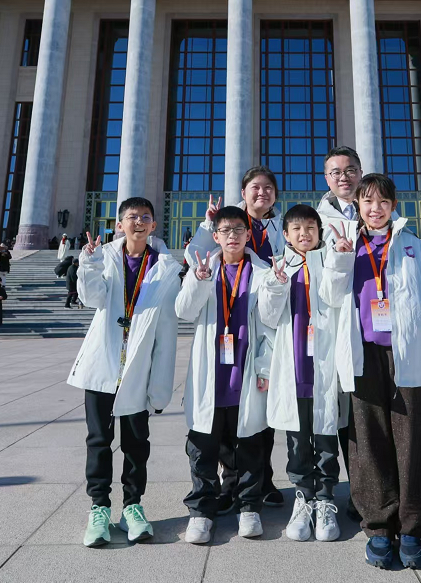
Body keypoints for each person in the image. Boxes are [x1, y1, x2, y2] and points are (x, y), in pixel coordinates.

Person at [320, 173, 421, 570]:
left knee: (414, 441)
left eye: (382, 202)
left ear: (393, 206)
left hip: (407, 356)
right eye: (367, 202)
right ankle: (379, 527)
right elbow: (328, 296)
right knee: (368, 440)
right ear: (358, 207)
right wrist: (342, 258)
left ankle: (412, 527)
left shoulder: (412, 246)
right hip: (363, 357)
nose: (375, 208)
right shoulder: (344, 244)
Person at [67, 197, 181, 549]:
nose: (138, 222)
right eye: (131, 217)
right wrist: (88, 262)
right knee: (99, 442)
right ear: (120, 224)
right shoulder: (107, 259)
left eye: (145, 217)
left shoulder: (164, 268)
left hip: (136, 371)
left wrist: (159, 387)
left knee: (136, 445)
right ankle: (99, 508)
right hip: (103, 366)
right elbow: (93, 298)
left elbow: (166, 333)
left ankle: (132, 506)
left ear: (153, 225)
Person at [175, 205, 274, 544]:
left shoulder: (261, 271)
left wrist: (264, 367)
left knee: (248, 446)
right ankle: (201, 511)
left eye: (239, 229)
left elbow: (271, 326)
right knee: (203, 447)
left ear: (249, 234)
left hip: (245, 370)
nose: (233, 235)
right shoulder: (205, 268)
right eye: (226, 230)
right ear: (215, 235)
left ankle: (249, 507)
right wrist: (199, 281)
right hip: (211, 375)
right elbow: (185, 312)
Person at [189, 165, 285, 510]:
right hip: (226, 332)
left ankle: (264, 480)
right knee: (229, 415)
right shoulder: (229, 225)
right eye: (255, 188)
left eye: (268, 188)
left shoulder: (277, 228)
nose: (262, 193)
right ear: (243, 194)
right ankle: (231, 483)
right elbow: (195, 258)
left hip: (264, 319)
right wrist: (207, 225)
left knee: (261, 418)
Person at [259, 205, 343, 543]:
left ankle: (325, 499)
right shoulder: (276, 268)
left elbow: (337, 301)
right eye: (296, 228)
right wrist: (277, 285)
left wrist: (340, 264)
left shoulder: (330, 261)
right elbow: (267, 317)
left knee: (325, 436)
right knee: (297, 437)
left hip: (324, 364)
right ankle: (303, 497)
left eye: (310, 227)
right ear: (287, 233)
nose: (303, 234)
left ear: (320, 232)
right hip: (292, 366)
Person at [317, 145, 363, 522]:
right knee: (331, 415)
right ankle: (326, 493)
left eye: (349, 170)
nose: (343, 177)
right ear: (327, 179)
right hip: (331, 330)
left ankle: (366, 493)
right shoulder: (316, 221)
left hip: (372, 330)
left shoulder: (378, 214)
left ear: (360, 173)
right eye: (335, 172)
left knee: (365, 417)